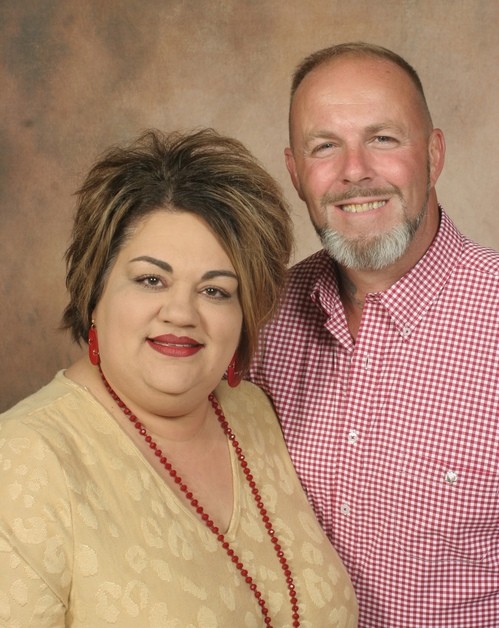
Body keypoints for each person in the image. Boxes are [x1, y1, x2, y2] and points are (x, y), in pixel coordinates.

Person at [0, 129, 358, 627]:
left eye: (215, 291)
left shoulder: (253, 412)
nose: (181, 313)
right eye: (152, 280)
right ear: (94, 291)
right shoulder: (24, 461)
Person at [249, 42, 499, 627]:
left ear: (434, 154)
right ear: (295, 172)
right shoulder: (260, 318)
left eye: (383, 138)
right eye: (324, 146)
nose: (355, 170)